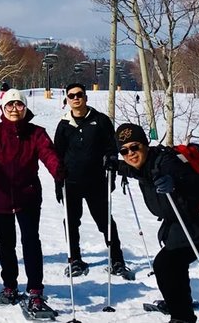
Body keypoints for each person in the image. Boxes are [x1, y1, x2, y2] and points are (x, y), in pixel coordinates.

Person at [110, 123, 199, 323]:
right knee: (173, 265)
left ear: (145, 144)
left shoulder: (167, 163)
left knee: (166, 264)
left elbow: (198, 184)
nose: (130, 154)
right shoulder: (146, 165)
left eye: (135, 147)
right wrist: (115, 165)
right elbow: (135, 170)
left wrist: (175, 182)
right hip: (181, 224)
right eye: (124, 151)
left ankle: (182, 317)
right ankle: (177, 302)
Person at [0, 89, 63, 318]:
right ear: (3, 108)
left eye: (19, 105)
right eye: (10, 105)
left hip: (27, 196)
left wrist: (58, 170)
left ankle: (35, 290)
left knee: (31, 241)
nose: (14, 109)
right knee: (6, 243)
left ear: (25, 108)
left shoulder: (36, 133)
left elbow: (48, 154)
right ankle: (9, 286)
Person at [53, 82, 131, 279]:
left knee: (105, 221)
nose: (76, 98)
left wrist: (112, 162)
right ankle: (75, 259)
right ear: (67, 100)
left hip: (96, 181)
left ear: (86, 97)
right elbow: (57, 156)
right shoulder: (63, 125)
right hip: (71, 183)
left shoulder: (101, 120)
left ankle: (117, 259)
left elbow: (111, 147)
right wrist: (57, 182)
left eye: (79, 94)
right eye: (72, 96)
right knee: (71, 222)